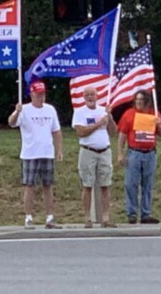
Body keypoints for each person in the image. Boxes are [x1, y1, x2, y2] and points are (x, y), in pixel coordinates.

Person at [9, 81, 63, 229]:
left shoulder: (50, 109)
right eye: (38, 94)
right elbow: (11, 123)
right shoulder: (25, 110)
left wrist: (59, 150)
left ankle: (50, 217)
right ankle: (28, 217)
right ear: (32, 94)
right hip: (30, 153)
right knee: (30, 185)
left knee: (48, 185)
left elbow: (56, 131)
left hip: (47, 152)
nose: (41, 97)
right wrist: (17, 112)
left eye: (43, 94)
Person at [117, 90, 161, 224]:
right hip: (134, 152)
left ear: (147, 101)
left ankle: (146, 213)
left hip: (150, 153)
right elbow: (122, 134)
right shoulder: (129, 114)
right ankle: (131, 213)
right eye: (137, 100)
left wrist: (158, 125)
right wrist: (120, 153)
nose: (138, 102)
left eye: (141, 100)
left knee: (148, 184)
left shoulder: (154, 114)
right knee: (130, 183)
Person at [71, 88, 116, 228]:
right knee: (87, 185)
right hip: (88, 151)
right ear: (84, 97)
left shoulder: (103, 111)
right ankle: (87, 218)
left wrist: (110, 117)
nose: (90, 97)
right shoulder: (80, 112)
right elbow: (81, 132)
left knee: (105, 185)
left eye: (92, 95)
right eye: (87, 95)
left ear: (97, 96)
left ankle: (106, 217)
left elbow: (113, 132)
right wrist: (98, 124)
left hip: (104, 151)